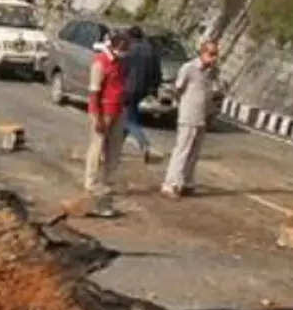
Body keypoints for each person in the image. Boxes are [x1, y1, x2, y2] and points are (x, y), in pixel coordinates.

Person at [162, 39, 220, 198]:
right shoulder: (189, 68)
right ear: (202, 53)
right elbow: (178, 89)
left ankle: (187, 181)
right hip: (188, 114)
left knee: (195, 151)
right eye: (211, 54)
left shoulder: (213, 72)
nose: (213, 58)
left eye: (216, 55)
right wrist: (184, 104)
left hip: (202, 115)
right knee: (182, 149)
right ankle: (171, 183)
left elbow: (214, 91)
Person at [84, 29, 130, 216]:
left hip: (117, 110)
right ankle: (91, 181)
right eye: (122, 48)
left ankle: (108, 180)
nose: (124, 51)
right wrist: (96, 117)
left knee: (114, 149)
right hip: (104, 111)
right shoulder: (101, 63)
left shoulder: (119, 63)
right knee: (97, 147)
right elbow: (94, 92)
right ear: (114, 46)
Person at [120, 26, 163, 162]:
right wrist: (153, 89)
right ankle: (116, 148)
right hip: (142, 90)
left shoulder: (129, 50)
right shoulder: (151, 51)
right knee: (128, 116)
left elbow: (122, 70)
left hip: (127, 89)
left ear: (131, 37)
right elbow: (157, 73)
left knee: (129, 120)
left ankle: (144, 144)